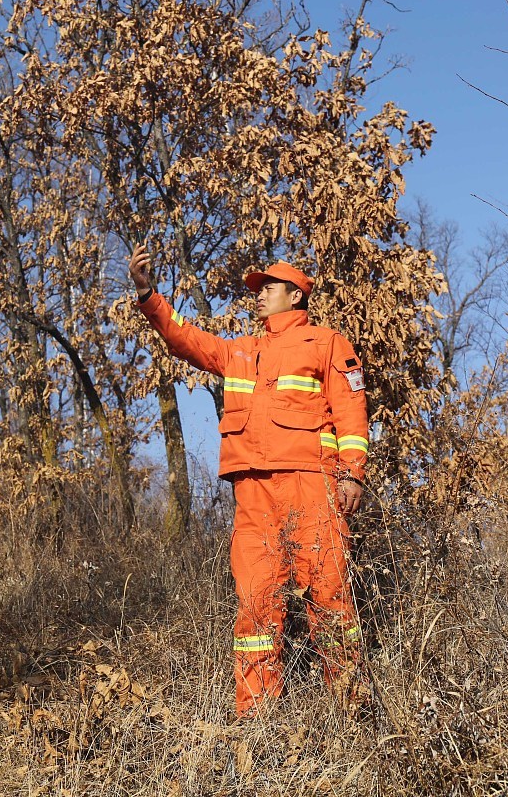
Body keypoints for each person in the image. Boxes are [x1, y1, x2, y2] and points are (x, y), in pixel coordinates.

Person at [128, 244, 370, 717]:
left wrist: (352, 473)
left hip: (311, 483)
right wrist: (148, 294)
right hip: (253, 493)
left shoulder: (325, 343)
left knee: (329, 595)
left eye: (268, 289)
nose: (257, 296)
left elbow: (351, 408)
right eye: (257, 290)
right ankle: (256, 721)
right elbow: (186, 340)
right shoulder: (242, 350)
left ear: (296, 297)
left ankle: (351, 713)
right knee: (256, 603)